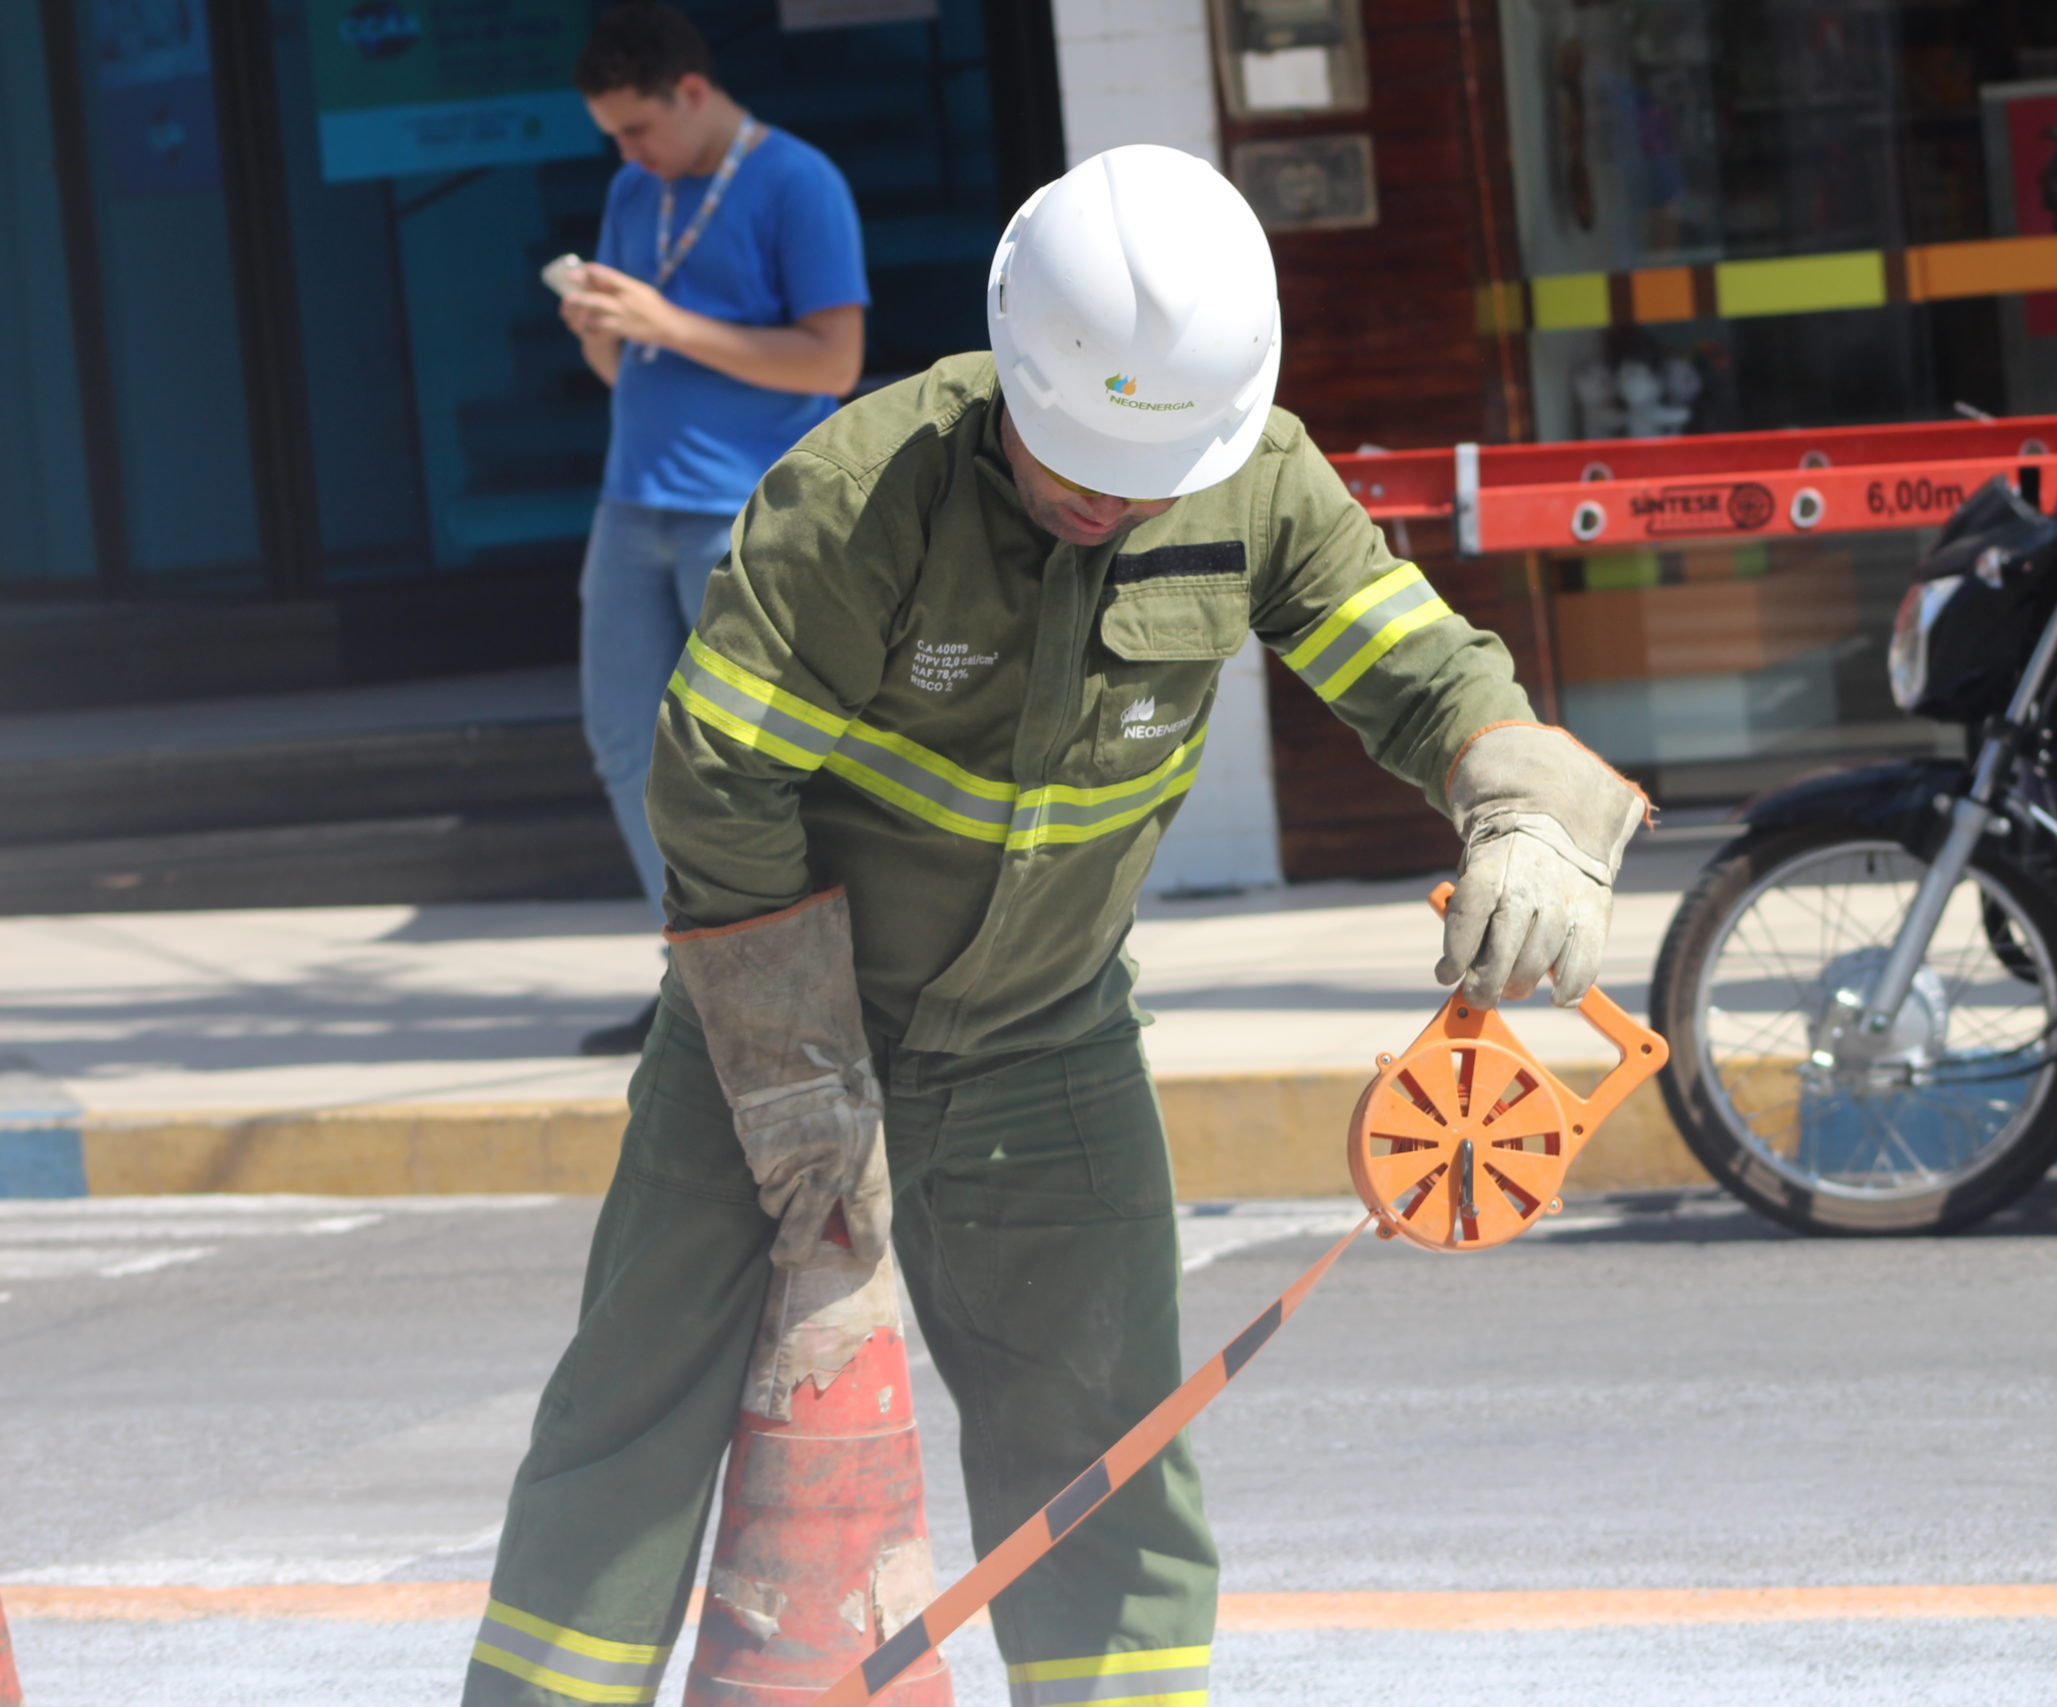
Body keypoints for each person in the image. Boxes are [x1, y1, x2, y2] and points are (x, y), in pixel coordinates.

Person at [460, 144, 1647, 1706]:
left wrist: (1523, 806)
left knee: (1107, 1461)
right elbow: (716, 788)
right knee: (628, 1428)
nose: (1108, 497)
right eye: (1077, 456)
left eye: (1146, 476)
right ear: (1013, 360)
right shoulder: (857, 497)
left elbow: (1422, 670)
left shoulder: (1258, 478)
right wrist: (799, 1074)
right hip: (771, 1042)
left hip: (1046, 1054)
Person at [561, 0, 871, 1056]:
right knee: (621, 741)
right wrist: (608, 333)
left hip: (744, 510)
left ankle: (796, 976)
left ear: (691, 91)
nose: (627, 151)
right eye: (612, 136)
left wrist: (663, 322)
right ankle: (696, 974)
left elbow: (832, 363)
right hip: (629, 497)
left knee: (745, 757)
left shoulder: (796, 181)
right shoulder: (630, 190)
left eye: (637, 127)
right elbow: (630, 370)